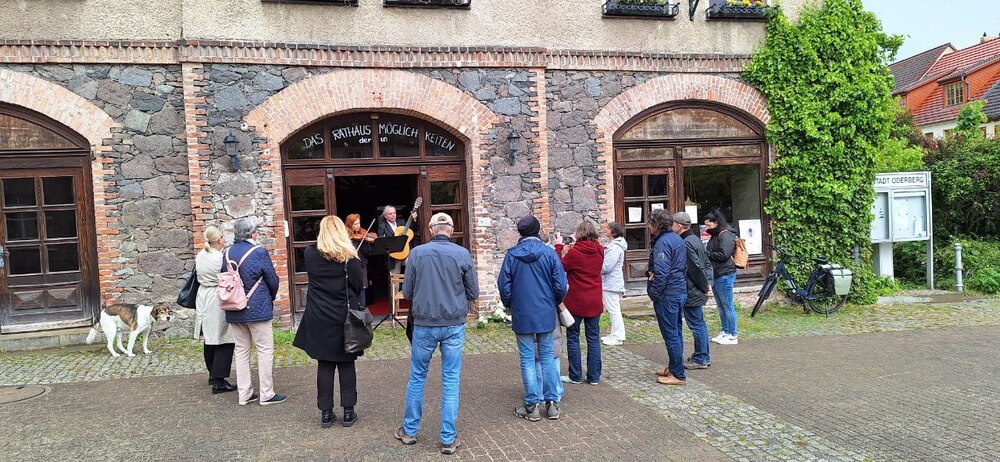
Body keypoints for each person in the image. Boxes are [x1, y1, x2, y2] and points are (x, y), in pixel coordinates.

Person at [395, 212, 479, 455]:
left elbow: (407, 293)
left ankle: (410, 431)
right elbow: (473, 292)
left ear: (431, 231)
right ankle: (448, 439)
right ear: (450, 231)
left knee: (417, 377)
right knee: (451, 379)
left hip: (424, 324)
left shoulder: (417, 253)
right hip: (453, 323)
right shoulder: (462, 254)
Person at [293, 216, 364, 428]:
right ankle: (348, 412)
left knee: (324, 363)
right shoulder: (349, 257)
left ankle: (326, 413)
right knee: (346, 363)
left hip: (319, 315)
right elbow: (358, 285)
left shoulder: (310, 253)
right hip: (343, 315)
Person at [497, 215, 568, 422]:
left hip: (522, 313)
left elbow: (504, 286)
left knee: (527, 358)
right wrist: (553, 301)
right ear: (537, 231)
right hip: (545, 311)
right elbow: (560, 284)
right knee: (547, 357)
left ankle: (532, 405)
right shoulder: (549, 253)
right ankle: (552, 403)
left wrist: (511, 304)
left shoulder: (512, 255)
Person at [223, 217, 285, 406]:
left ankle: (244, 394)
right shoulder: (259, 252)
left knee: (241, 351)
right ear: (252, 233)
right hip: (257, 307)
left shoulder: (227, 253)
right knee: (264, 350)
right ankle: (266, 393)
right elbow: (272, 280)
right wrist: (269, 298)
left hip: (234, 307)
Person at [554, 221, 604, 386]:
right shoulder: (599, 250)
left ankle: (575, 375)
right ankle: (594, 376)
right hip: (594, 300)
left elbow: (560, 267)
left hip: (576, 301)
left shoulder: (575, 253)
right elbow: (592, 248)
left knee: (573, 337)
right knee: (593, 338)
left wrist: (559, 247)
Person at [647, 209, 688, 386]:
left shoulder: (663, 243)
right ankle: (674, 367)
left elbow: (662, 273)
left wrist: (654, 294)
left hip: (668, 294)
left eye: (650, 223)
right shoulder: (677, 239)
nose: (648, 226)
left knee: (671, 335)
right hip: (678, 290)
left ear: (657, 225)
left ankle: (678, 374)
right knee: (676, 332)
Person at [195, 225, 236, 394]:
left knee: (209, 337)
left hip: (203, 295)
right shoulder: (220, 258)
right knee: (224, 337)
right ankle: (219, 380)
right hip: (217, 296)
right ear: (219, 239)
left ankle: (212, 374)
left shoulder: (201, 254)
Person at [672, 212, 713, 370]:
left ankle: (701, 357)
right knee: (699, 323)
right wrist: (708, 283)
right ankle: (702, 356)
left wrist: (705, 286)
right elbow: (706, 263)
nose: (672, 227)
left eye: (673, 224)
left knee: (696, 324)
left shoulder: (686, 242)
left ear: (679, 226)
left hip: (692, 289)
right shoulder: (694, 238)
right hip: (696, 287)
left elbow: (695, 268)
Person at [705, 209, 738, 345]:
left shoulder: (725, 235)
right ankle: (725, 331)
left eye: (709, 225)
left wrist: (708, 254)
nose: (707, 227)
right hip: (717, 273)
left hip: (725, 274)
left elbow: (724, 254)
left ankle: (733, 335)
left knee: (727, 305)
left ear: (716, 222)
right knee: (721, 305)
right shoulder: (716, 235)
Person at [600, 221, 628, 346]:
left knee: (614, 310)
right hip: (610, 282)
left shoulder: (615, 247)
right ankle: (614, 334)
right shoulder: (611, 244)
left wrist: (595, 267)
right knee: (612, 310)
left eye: (608, 228)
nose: (605, 230)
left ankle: (618, 336)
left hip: (612, 282)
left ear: (613, 232)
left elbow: (607, 267)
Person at [345, 213, 373, 306]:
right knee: (352, 291)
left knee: (362, 290)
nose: (358, 226)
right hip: (351, 267)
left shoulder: (362, 235)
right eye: (355, 224)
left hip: (361, 266)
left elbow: (368, 251)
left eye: (359, 223)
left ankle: (362, 311)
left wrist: (365, 241)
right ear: (349, 225)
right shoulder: (345, 237)